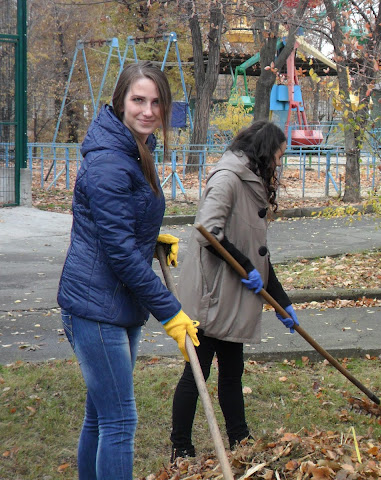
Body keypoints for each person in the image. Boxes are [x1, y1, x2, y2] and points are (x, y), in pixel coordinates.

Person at [57, 61, 200, 480]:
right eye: (138, 100)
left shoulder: (134, 149)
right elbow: (118, 253)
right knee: (120, 421)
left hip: (116, 302)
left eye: (157, 102)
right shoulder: (109, 163)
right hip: (95, 307)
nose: (148, 110)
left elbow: (119, 227)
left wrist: (152, 238)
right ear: (120, 101)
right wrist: (171, 312)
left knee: (101, 416)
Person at [169, 120, 299, 460]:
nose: (279, 164)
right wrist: (244, 267)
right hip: (210, 296)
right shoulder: (228, 179)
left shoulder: (252, 184)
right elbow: (207, 232)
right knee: (197, 372)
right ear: (263, 152)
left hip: (231, 298)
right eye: (278, 156)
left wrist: (283, 303)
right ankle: (180, 447)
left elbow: (259, 255)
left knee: (232, 371)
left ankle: (240, 439)